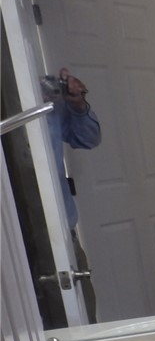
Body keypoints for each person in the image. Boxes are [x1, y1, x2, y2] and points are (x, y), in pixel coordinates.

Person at [43, 66, 101, 323]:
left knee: (82, 315)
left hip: (62, 230)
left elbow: (88, 138)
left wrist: (77, 104)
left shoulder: (47, 100)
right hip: (12, 239)